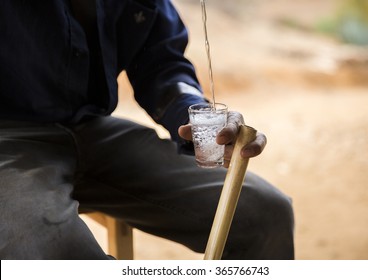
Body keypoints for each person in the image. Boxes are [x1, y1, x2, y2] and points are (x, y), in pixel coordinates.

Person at [0, 0, 294, 259]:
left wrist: (194, 115)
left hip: (92, 129)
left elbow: (161, 62)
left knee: (265, 215)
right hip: (8, 138)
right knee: (57, 252)